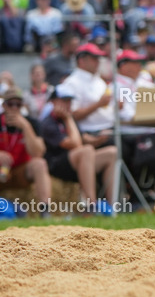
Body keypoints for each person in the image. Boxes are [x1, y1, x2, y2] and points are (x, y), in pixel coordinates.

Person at [39, 84, 117, 213]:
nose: (68, 105)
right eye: (64, 101)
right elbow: (75, 144)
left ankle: (113, 206)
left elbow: (83, 138)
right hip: (56, 166)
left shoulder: (68, 120)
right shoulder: (48, 123)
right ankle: (91, 205)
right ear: (53, 102)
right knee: (86, 151)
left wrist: (98, 140)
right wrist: (69, 118)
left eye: (69, 101)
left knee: (111, 152)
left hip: (76, 162)